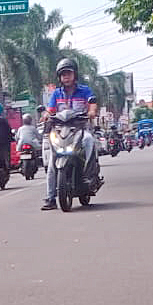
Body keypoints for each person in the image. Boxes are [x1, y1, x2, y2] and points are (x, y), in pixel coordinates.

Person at [41, 57, 99, 210]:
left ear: (75, 75)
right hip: (61, 131)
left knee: (88, 141)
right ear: (59, 77)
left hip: (80, 128)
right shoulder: (56, 94)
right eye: (63, 74)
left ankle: (88, 174)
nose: (66, 77)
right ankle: (50, 198)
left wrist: (92, 111)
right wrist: (46, 115)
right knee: (53, 161)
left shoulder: (84, 90)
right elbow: (50, 110)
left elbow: (92, 103)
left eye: (69, 73)